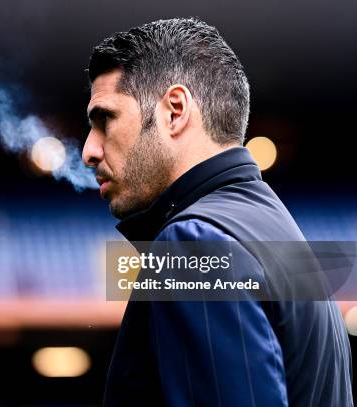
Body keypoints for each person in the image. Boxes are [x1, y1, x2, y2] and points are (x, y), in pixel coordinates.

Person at [82, 18, 353, 406]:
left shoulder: (193, 244)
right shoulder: (273, 225)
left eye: (104, 119)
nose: (88, 150)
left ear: (174, 111)